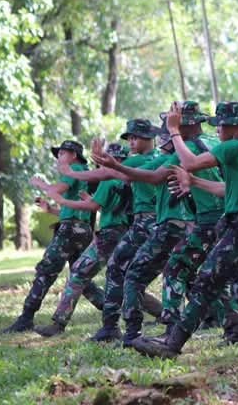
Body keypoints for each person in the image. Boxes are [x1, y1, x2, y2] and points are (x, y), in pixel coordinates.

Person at [131, 101, 238, 358]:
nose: (218, 130)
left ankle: (171, 344)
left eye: (221, 125)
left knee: (205, 283)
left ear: (234, 127)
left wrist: (174, 130)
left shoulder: (232, 146)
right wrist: (194, 182)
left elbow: (188, 161)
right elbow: (228, 190)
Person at [93, 102, 238, 346]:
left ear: (187, 123)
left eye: (174, 120)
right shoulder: (212, 142)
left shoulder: (187, 147)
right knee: (206, 278)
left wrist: (114, 165)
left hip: (210, 220)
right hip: (221, 218)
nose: (168, 126)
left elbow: (156, 177)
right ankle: (236, 329)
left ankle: (160, 331)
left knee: (172, 270)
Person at [58, 119, 164, 342]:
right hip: (141, 224)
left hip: (145, 223)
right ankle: (126, 324)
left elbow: (112, 178)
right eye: (129, 138)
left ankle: (124, 328)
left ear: (149, 138)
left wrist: (71, 179)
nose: (131, 141)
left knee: (123, 274)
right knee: (128, 275)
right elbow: (106, 176)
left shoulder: (149, 160)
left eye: (135, 137)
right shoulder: (145, 159)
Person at [3, 140, 104, 333]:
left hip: (69, 232)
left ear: (73, 155)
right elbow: (73, 209)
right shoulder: (84, 172)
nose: (59, 157)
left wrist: (42, 184)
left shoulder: (74, 169)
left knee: (46, 271)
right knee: (81, 277)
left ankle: (26, 317)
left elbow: (56, 191)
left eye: (62, 153)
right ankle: (110, 310)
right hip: (82, 230)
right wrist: (49, 209)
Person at [34, 143, 131, 337]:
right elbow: (104, 208)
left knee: (78, 273)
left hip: (108, 235)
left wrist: (54, 195)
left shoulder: (107, 179)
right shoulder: (128, 181)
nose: (100, 164)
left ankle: (59, 324)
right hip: (125, 232)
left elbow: (92, 206)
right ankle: (160, 312)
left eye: (105, 160)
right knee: (131, 278)